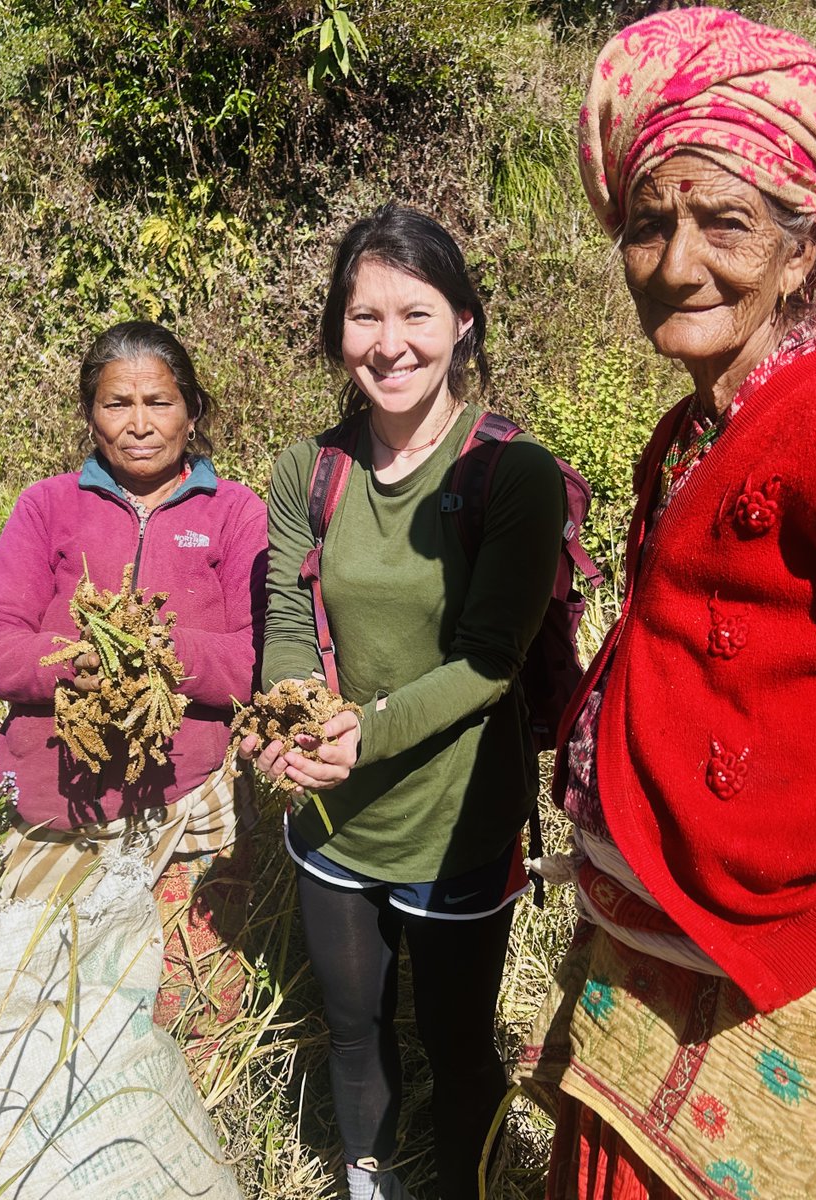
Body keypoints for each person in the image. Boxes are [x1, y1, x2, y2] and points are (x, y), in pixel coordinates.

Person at [515, 8, 816, 1199]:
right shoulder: (693, 427)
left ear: (807, 250)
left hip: (753, 950)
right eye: (649, 223)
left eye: (727, 223)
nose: (676, 262)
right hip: (659, 928)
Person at [244, 203, 566, 1200]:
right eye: (363, 317)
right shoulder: (311, 468)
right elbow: (289, 618)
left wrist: (363, 736)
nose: (391, 346)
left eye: (417, 314)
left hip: (456, 823)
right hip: (336, 820)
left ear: (463, 320)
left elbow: (488, 661)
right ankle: (369, 1179)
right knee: (352, 1026)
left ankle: (463, 1185)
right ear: (336, 330)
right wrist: (282, 722)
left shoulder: (513, 473)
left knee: (463, 1047)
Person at [0, 320, 268, 1034]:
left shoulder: (235, 513)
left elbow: (260, 660)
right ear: (89, 414)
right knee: (39, 1018)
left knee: (186, 1012)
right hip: (57, 808)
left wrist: (159, 650)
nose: (138, 425)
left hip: (192, 810)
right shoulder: (47, 506)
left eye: (158, 403)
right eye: (115, 404)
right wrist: (81, 658)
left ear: (193, 412)